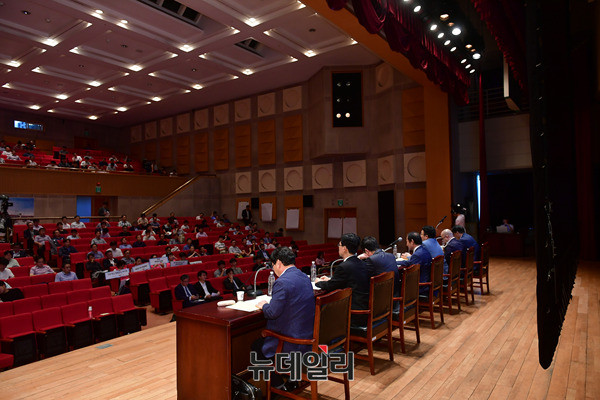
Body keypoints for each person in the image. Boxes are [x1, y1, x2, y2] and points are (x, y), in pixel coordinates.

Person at [254, 247, 315, 389]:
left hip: (292, 342)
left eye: (273, 265)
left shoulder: (282, 282)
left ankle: (279, 386)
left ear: (279, 263)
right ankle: (292, 379)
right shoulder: (303, 277)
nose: (273, 269)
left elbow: (272, 313)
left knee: (257, 347)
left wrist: (264, 305)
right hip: (308, 336)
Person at [315, 233, 370, 326]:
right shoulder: (362, 263)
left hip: (353, 313)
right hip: (364, 307)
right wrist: (329, 280)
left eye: (339, 245)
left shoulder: (343, 267)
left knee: (321, 307)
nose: (338, 247)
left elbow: (330, 286)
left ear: (345, 248)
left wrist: (318, 282)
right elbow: (347, 280)